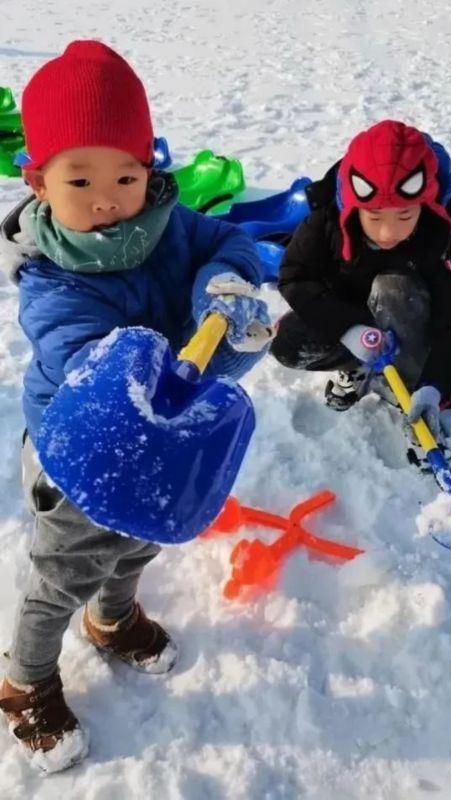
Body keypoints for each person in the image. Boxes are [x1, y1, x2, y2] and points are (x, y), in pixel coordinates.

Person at [0, 40, 271, 773]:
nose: (105, 196)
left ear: (149, 169)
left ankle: (113, 618)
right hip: (81, 448)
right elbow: (90, 365)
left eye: (125, 174)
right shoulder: (51, 277)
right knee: (65, 569)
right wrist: (196, 349)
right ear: (39, 180)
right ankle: (23, 680)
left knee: (137, 543)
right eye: (79, 177)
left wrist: (223, 284)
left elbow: (229, 241)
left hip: (163, 433)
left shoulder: (170, 222)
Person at [271, 119, 451, 461]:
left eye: (403, 217)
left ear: (424, 204)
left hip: (413, 323)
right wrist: (350, 328)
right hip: (356, 317)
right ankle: (361, 365)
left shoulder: (438, 239)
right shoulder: (326, 223)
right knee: (288, 341)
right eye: (374, 217)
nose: (387, 233)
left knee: (392, 287)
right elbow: (295, 277)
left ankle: (411, 396)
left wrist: (435, 388)